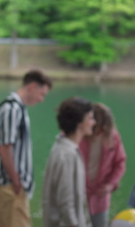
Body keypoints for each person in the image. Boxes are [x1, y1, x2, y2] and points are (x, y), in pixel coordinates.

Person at [0, 69, 53, 227]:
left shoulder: (18, 108)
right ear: (32, 87)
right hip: (10, 185)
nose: (41, 99)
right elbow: (5, 148)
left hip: (12, 184)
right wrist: (16, 181)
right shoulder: (12, 110)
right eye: (42, 94)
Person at [42, 96, 96, 227]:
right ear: (79, 122)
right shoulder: (67, 154)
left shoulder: (64, 147)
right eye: (90, 118)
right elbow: (66, 202)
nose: (94, 122)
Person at [78, 103, 127, 227]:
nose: (101, 129)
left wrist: (110, 184)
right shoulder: (78, 134)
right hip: (78, 196)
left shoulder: (113, 136)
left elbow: (120, 163)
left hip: (100, 198)